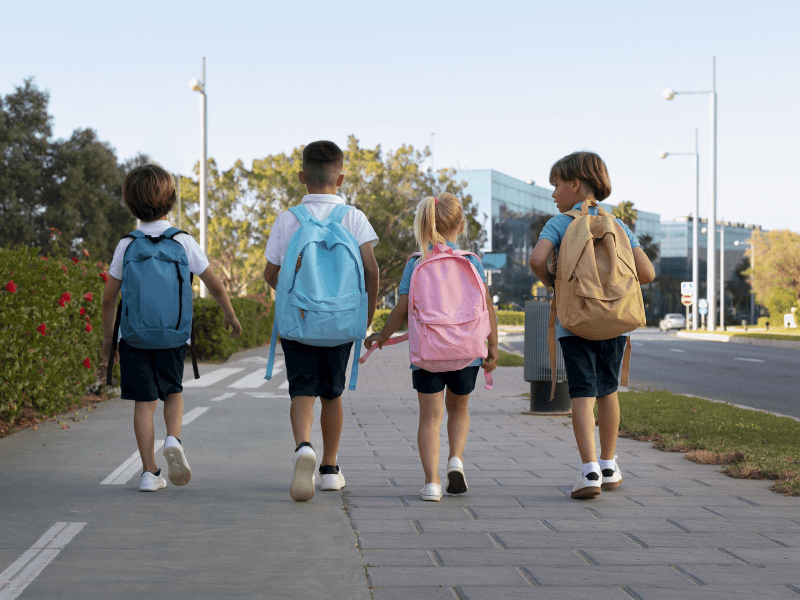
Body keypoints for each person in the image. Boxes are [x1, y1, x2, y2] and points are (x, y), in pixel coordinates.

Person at [102, 164, 242, 493]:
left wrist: (109, 344)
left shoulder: (127, 244)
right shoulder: (182, 240)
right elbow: (215, 285)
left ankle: (149, 473)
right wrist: (230, 315)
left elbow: (108, 300)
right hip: (173, 336)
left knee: (144, 403)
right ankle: (173, 439)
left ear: (130, 203)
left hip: (134, 338)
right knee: (173, 392)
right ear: (172, 200)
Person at [529, 151, 654, 499]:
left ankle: (589, 473)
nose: (553, 193)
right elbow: (647, 273)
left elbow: (537, 259)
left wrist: (556, 284)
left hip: (575, 322)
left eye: (556, 185)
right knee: (608, 392)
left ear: (574, 184)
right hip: (615, 322)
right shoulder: (619, 225)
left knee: (582, 395)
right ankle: (610, 466)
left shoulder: (560, 224)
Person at [263, 140, 379, 502]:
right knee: (332, 393)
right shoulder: (353, 218)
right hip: (341, 322)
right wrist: (366, 315)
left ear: (302, 176)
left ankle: (303, 447)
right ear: (340, 178)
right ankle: (329, 469)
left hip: (299, 322)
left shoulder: (288, 219)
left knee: (302, 390)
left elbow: (270, 273)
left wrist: (296, 295)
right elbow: (371, 270)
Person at [364, 192, 498, 502]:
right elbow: (487, 306)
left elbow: (402, 309)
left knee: (430, 418)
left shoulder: (416, 263)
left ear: (424, 226)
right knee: (459, 409)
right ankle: (456, 461)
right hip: (466, 352)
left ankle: (432, 484)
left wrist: (382, 336)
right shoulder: (472, 262)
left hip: (428, 354)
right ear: (461, 226)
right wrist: (492, 345)